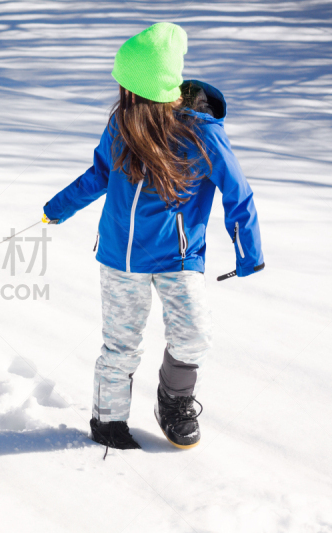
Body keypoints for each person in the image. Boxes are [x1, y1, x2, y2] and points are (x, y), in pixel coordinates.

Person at [42, 23, 264, 450]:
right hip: (119, 258)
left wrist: (248, 250)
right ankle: (108, 423)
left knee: (194, 333)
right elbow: (100, 174)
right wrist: (58, 207)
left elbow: (238, 191)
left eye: (129, 86)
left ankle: (174, 400)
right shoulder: (123, 123)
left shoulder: (200, 133)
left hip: (176, 258)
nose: (122, 95)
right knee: (119, 346)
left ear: (153, 88)